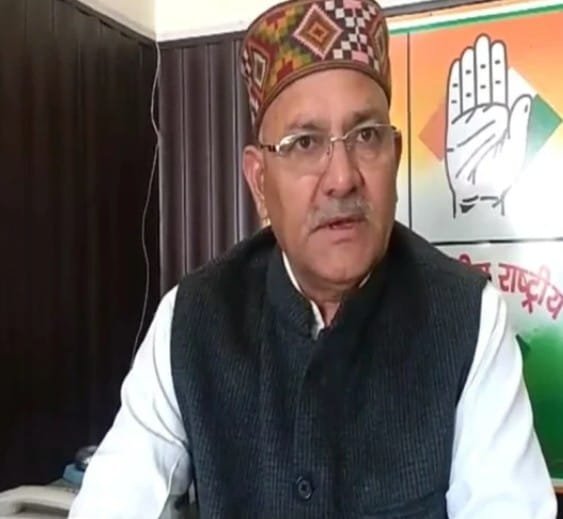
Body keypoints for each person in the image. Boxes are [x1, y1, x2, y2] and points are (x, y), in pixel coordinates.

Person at [69, 0, 557, 517]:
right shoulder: (191, 319)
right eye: (304, 143)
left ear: (394, 156)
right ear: (260, 181)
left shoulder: (468, 317)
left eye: (366, 136)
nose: (342, 177)